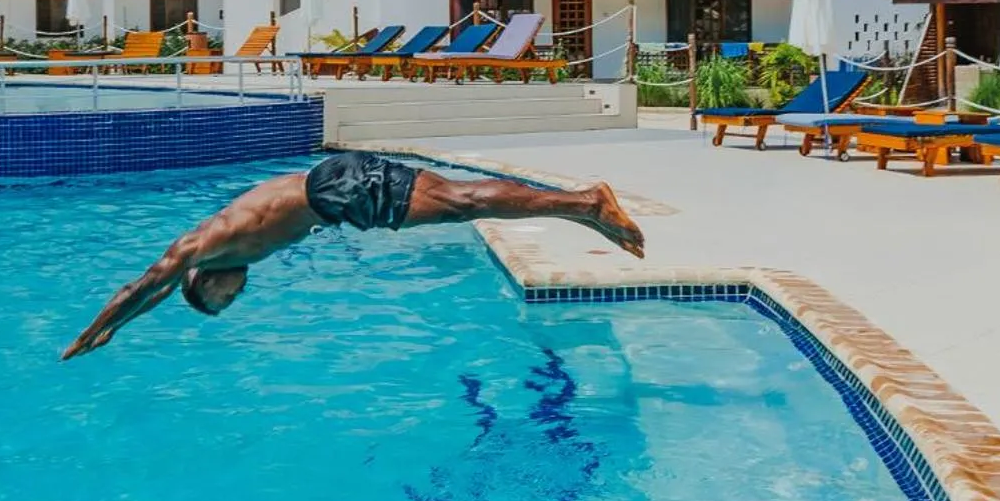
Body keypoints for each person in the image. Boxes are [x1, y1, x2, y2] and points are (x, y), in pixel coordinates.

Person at [62, 151, 644, 358]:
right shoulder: (226, 244)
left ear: (202, 283)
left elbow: (148, 284)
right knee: (458, 203)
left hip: (335, 191)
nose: (230, 301)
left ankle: (586, 202)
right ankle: (579, 207)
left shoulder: (203, 247)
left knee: (461, 203)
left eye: (217, 304)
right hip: (336, 191)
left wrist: (102, 329)